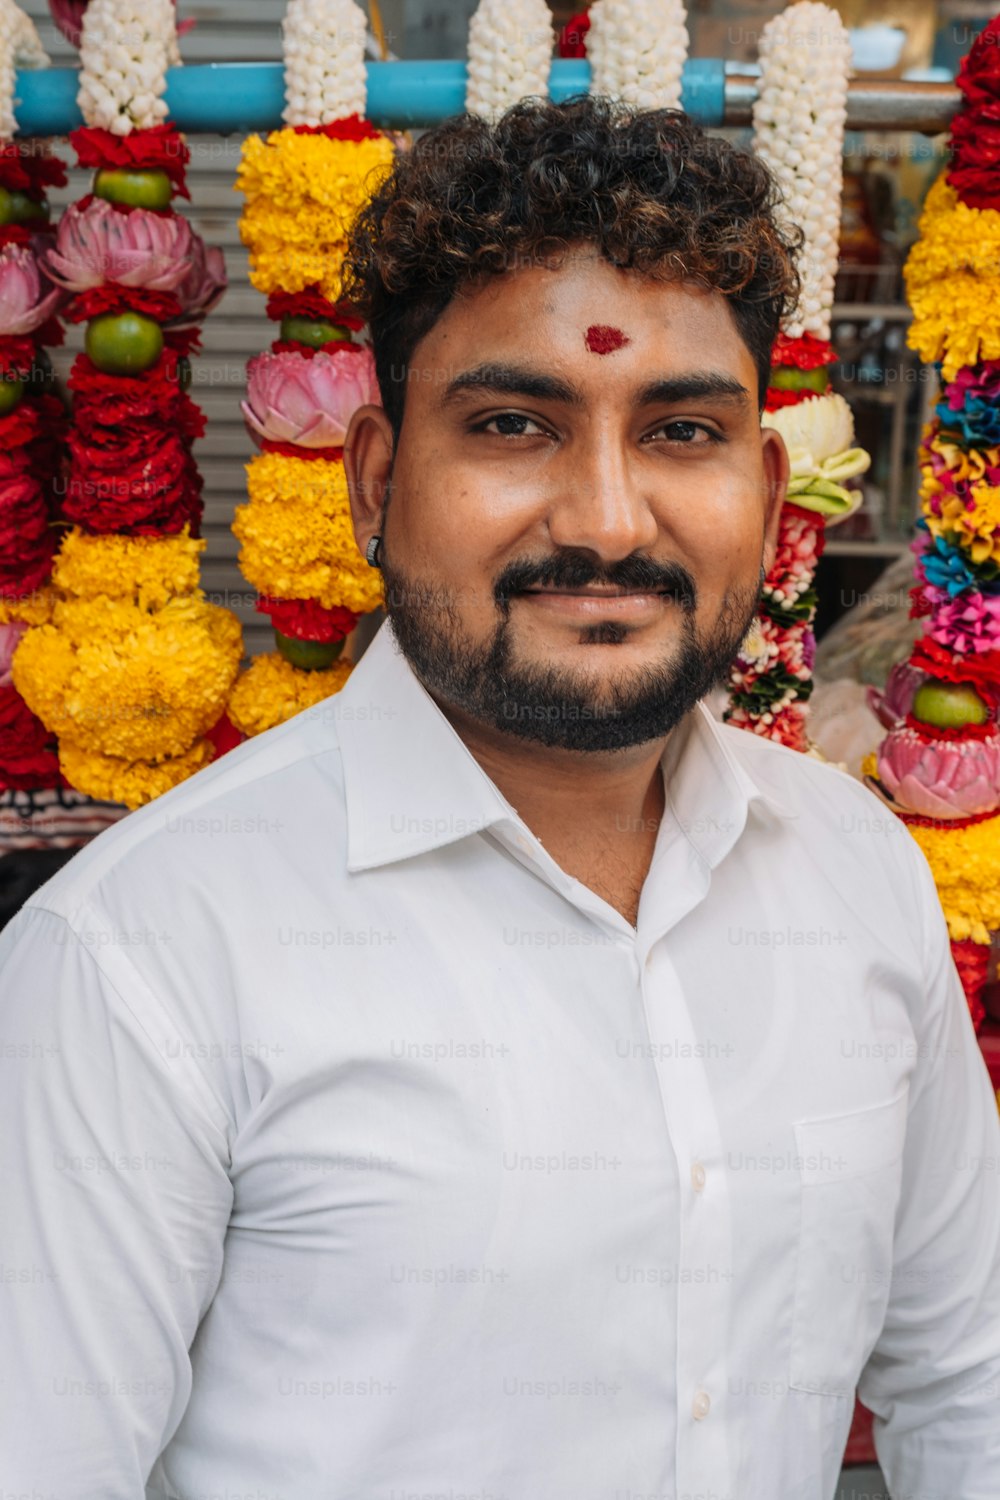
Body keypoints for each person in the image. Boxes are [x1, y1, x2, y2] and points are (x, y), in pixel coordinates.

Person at [1, 98, 997, 1500]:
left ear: (773, 501)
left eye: (683, 432)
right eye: (516, 423)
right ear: (373, 480)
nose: (603, 520)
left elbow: (968, 1383)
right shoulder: (140, 957)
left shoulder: (858, 871)